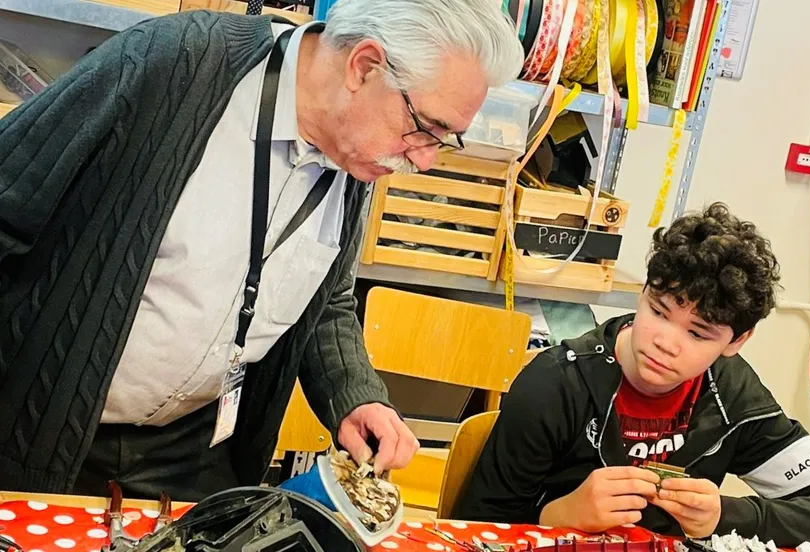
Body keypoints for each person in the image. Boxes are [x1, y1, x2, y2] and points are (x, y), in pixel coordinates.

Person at [0, 0, 524, 501]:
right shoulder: (175, 63)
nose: (425, 159)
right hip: (42, 430)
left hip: (194, 451)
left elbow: (323, 296)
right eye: (426, 128)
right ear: (364, 66)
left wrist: (354, 393)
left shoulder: (357, 148)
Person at [454, 203, 810, 547]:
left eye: (698, 334)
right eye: (658, 311)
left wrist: (728, 515)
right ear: (644, 291)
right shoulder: (555, 384)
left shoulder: (732, 394)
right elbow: (471, 529)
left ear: (737, 341)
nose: (664, 342)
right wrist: (559, 515)